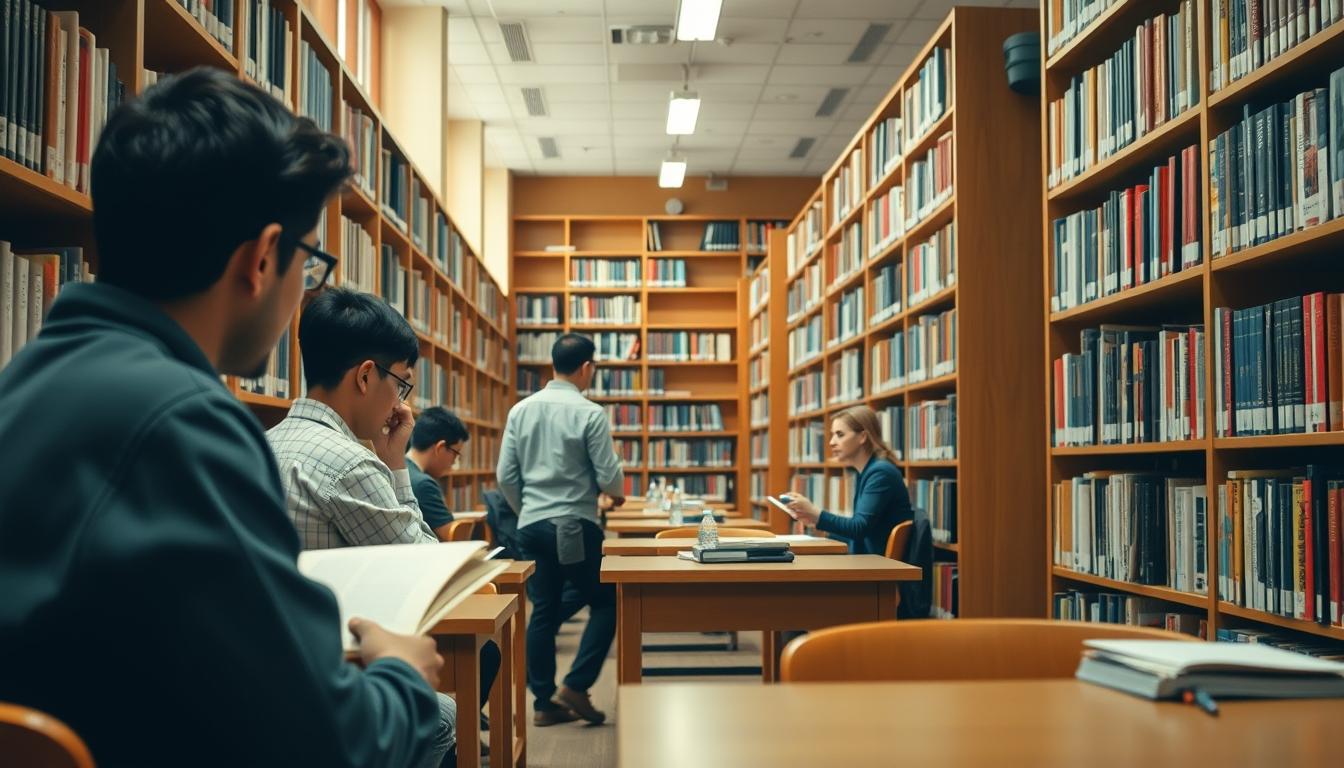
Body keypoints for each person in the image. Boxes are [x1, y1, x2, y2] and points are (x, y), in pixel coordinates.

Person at [0, 68, 447, 767]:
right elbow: (326, 742)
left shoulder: (28, 384)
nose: (305, 285)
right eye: (309, 260)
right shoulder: (183, 425)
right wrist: (403, 676)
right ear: (263, 258)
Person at [267, 289, 500, 759]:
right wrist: (395, 466)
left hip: (270, 670)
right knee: (444, 715)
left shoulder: (262, 442)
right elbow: (427, 567)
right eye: (402, 383)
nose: (400, 403)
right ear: (367, 375)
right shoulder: (350, 463)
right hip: (336, 671)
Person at [497, 333, 625, 726]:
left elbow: (505, 476)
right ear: (587, 368)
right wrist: (614, 494)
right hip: (572, 524)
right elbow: (609, 477)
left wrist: (528, 512)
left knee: (544, 610)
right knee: (606, 602)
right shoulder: (589, 413)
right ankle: (576, 683)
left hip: (531, 525)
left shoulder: (521, 410)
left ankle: (543, 704)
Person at [783, 405, 913, 554]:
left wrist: (815, 512)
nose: (831, 442)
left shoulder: (880, 473)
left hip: (877, 565)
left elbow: (859, 528)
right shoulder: (866, 471)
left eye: (840, 434)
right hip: (869, 559)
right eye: (832, 435)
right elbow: (862, 531)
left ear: (863, 437)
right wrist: (815, 521)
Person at [406, 406, 470, 541]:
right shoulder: (423, 484)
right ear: (440, 447)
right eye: (455, 453)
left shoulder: (399, 468)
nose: (454, 463)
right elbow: (453, 537)